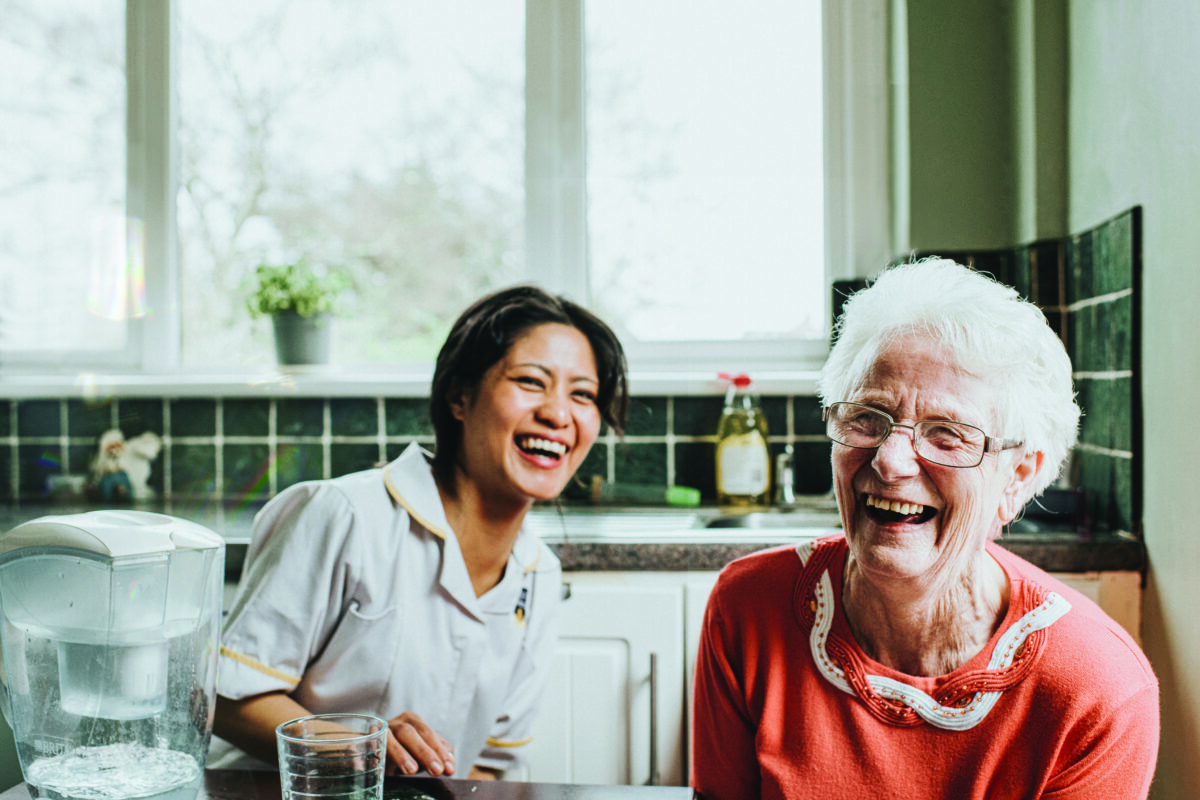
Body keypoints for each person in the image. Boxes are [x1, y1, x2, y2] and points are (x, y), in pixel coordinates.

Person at [691, 259, 1159, 799]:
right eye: (867, 416)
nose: (891, 462)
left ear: (1018, 477)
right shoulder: (749, 608)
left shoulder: (1098, 689)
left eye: (947, 433)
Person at [210, 285, 628, 780]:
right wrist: (357, 748)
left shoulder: (539, 575)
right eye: (531, 381)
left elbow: (488, 768)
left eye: (583, 394)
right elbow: (230, 698)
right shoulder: (344, 516)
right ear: (459, 396)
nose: (559, 414)